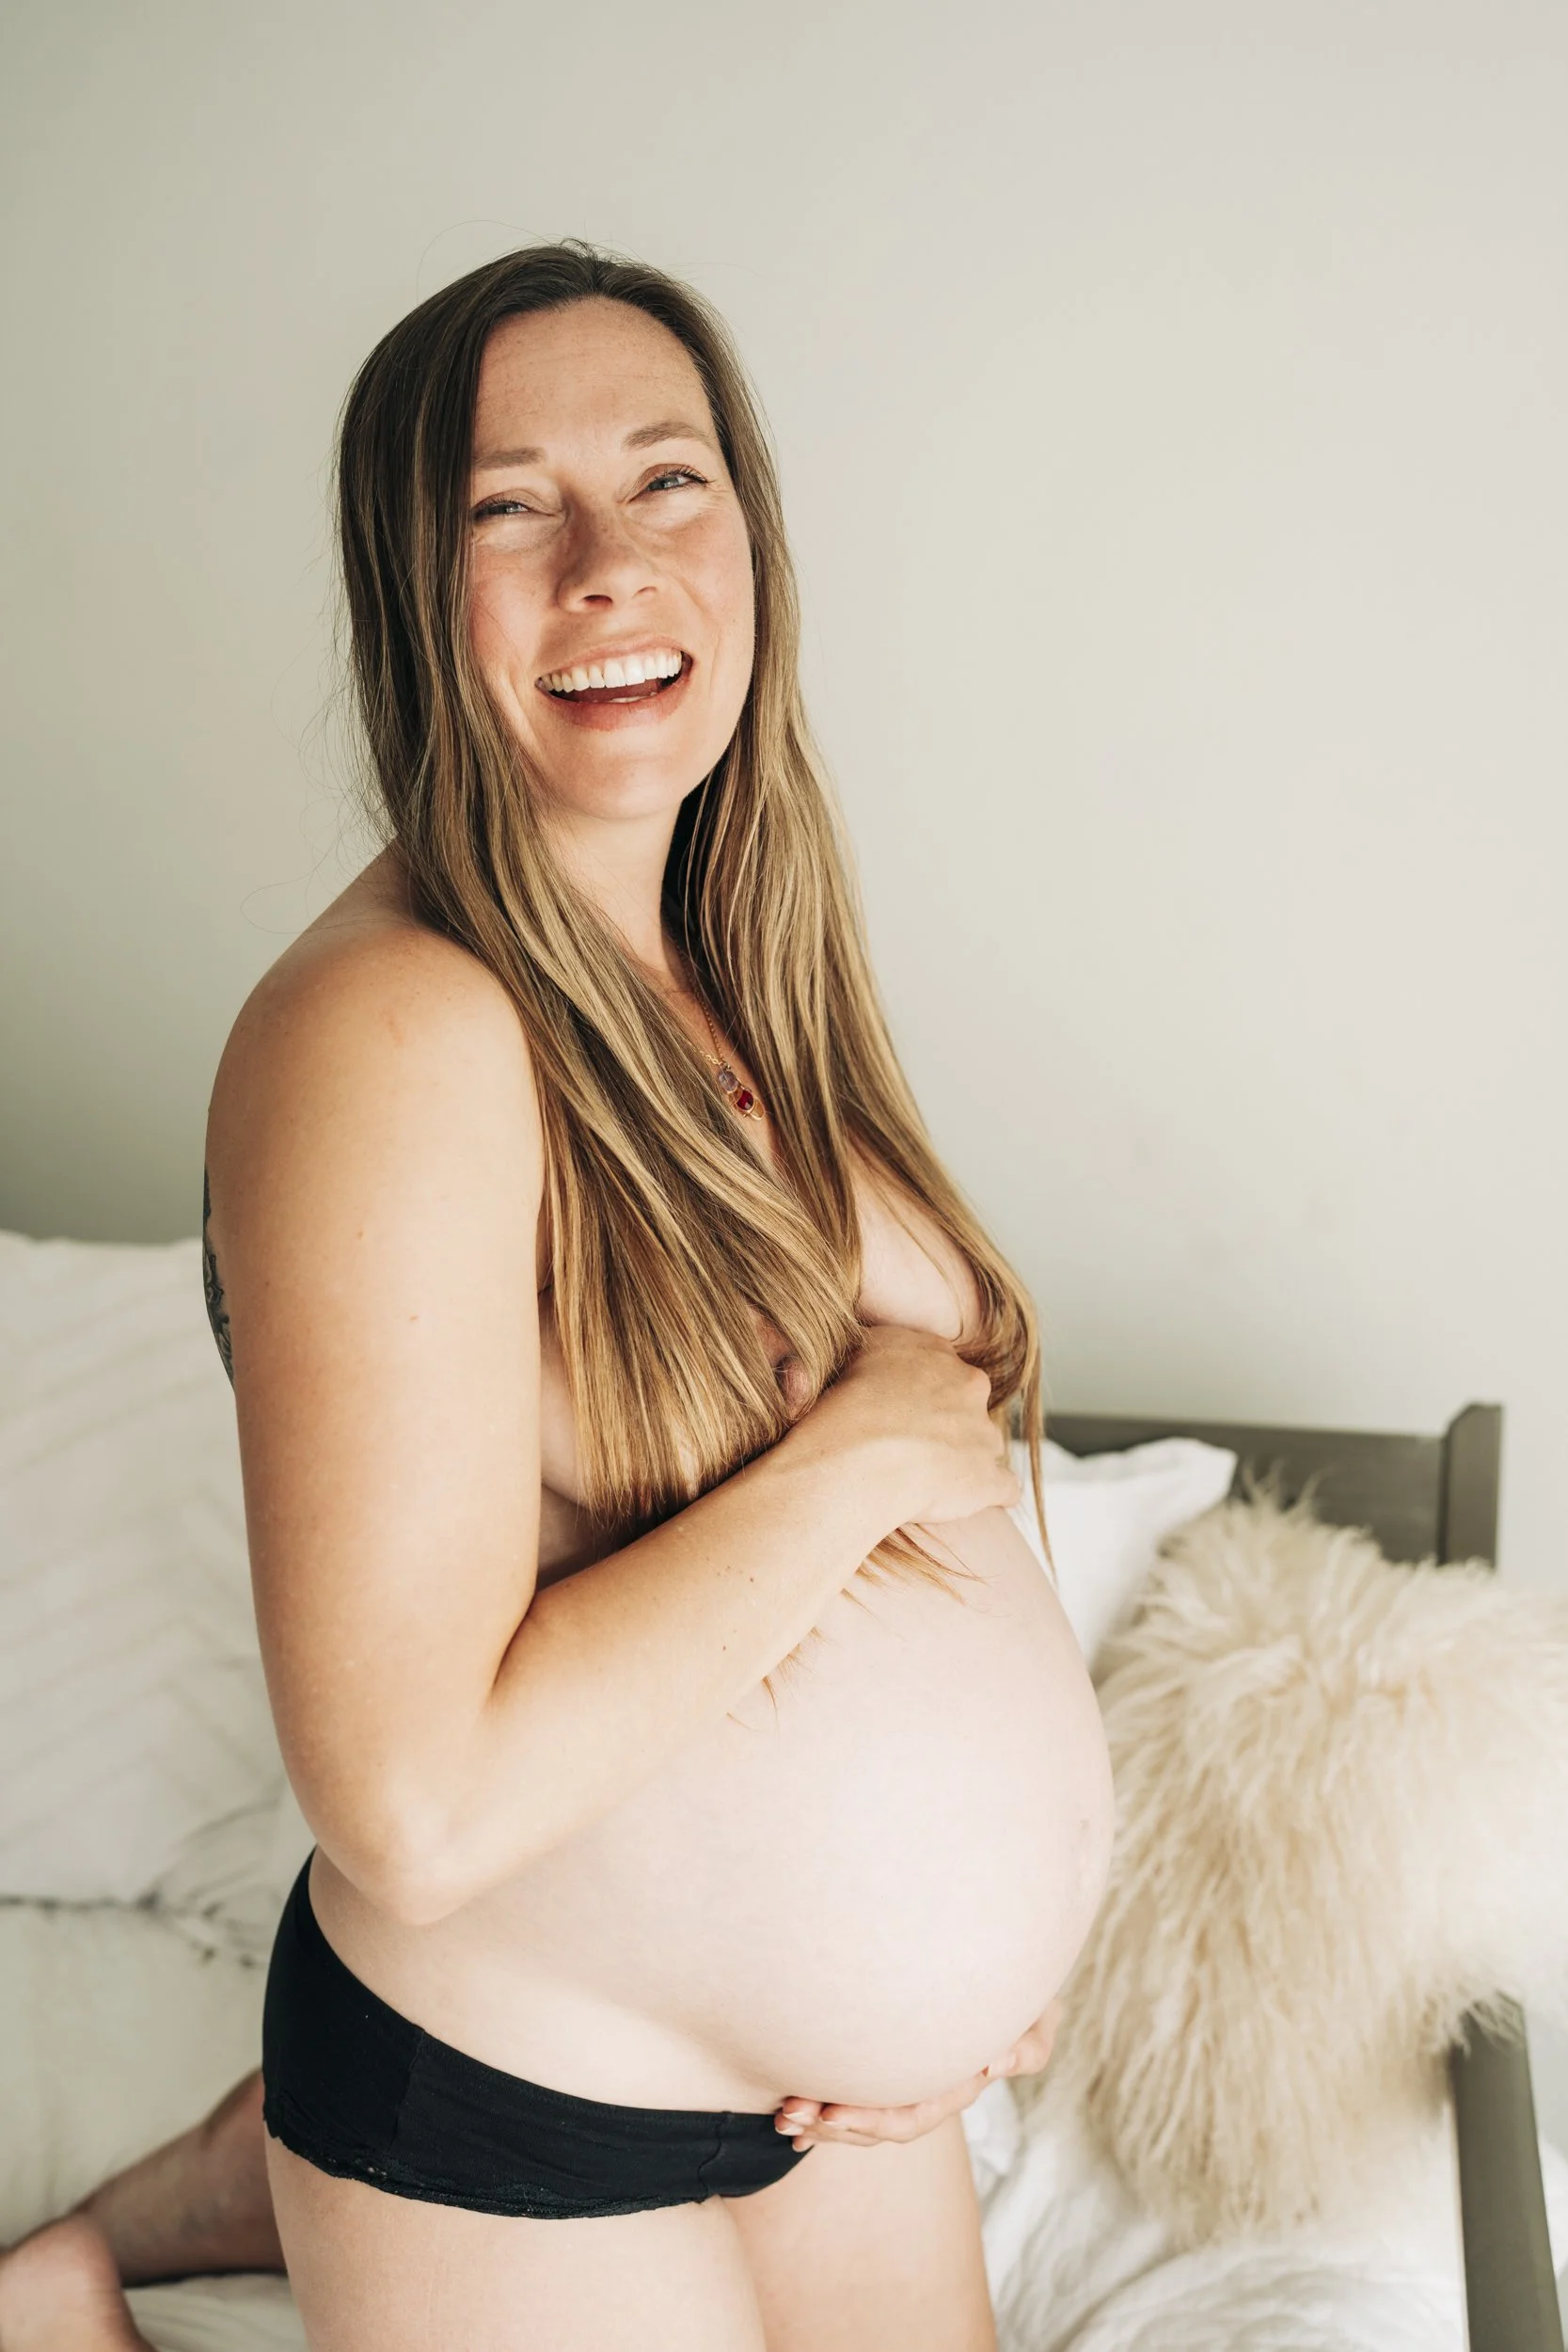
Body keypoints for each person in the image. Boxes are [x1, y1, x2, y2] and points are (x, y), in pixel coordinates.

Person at [0, 243, 1113, 2352]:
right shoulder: (395, 1037)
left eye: (666, 480)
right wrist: (856, 1462)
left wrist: (983, 1931)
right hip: (528, 2105)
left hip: (829, 2102)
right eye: (509, 507)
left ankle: (190, 2195)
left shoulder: (733, 946)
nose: (608, 559)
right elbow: (409, 1803)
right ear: (414, 596)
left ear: (752, 544)